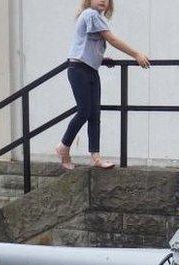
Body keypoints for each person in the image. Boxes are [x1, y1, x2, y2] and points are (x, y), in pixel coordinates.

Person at [56, 0, 150, 170]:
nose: (103, 0)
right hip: (79, 70)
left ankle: (96, 157)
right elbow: (111, 39)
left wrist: (101, 59)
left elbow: (89, 45)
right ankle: (64, 147)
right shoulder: (90, 14)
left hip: (91, 70)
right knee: (84, 111)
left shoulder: (97, 18)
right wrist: (136, 54)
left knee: (94, 115)